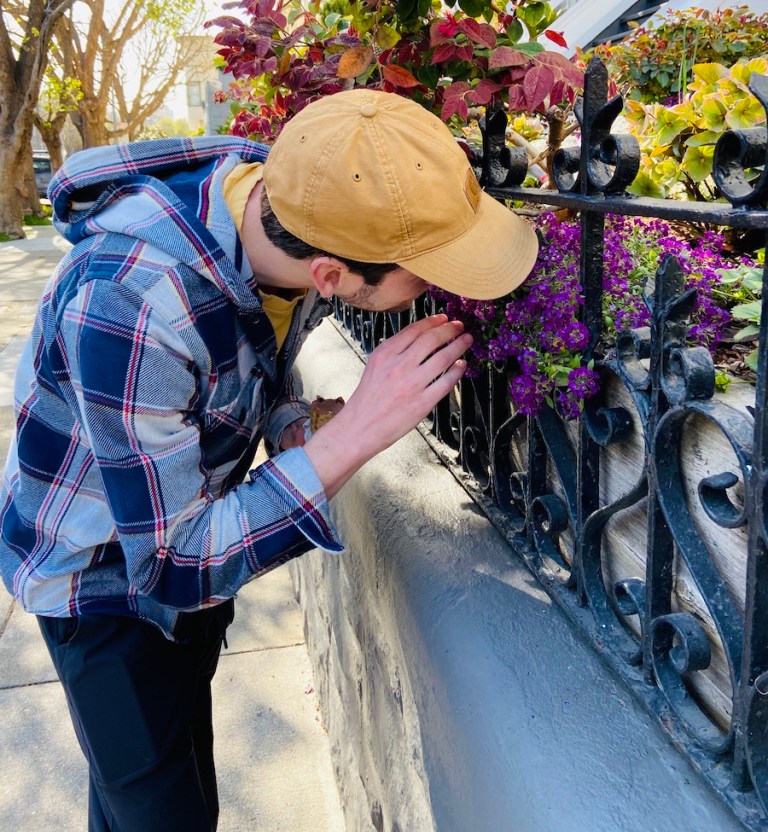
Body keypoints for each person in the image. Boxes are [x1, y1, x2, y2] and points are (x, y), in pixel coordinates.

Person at [0, 88, 538, 831]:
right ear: (330, 277)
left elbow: (249, 364)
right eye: (423, 269)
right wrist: (352, 439)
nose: (440, 286)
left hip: (187, 538)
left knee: (159, 785)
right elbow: (172, 565)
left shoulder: (280, 201)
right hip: (100, 587)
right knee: (164, 814)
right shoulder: (130, 299)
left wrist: (296, 429)